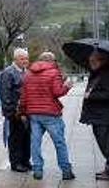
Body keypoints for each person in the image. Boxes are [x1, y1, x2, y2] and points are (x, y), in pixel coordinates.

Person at [19, 51, 74, 180]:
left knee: (35, 143)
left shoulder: (28, 74)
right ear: (51, 61)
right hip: (51, 114)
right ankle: (66, 171)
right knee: (59, 142)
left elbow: (23, 96)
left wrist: (22, 112)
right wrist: (67, 87)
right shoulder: (54, 72)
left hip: (34, 114)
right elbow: (57, 92)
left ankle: (37, 170)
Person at [80, 51, 109, 180]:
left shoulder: (107, 74)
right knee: (104, 144)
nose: (91, 64)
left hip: (105, 116)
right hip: (99, 116)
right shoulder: (98, 73)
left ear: (102, 61)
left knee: (108, 145)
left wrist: (91, 96)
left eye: (93, 61)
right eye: (90, 62)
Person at [0, 48, 31, 172]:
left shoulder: (26, 72)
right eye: (22, 59)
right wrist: (11, 112)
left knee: (26, 137)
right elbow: (5, 94)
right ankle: (16, 163)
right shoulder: (8, 72)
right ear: (16, 59)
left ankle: (25, 161)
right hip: (15, 112)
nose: (25, 61)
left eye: (26, 58)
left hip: (25, 111)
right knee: (15, 139)